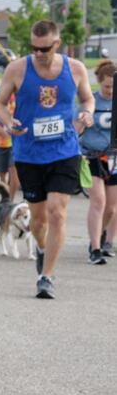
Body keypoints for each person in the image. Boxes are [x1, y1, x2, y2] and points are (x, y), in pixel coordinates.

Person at [0, 19, 97, 299]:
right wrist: (8, 120)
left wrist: (86, 114)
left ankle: (46, 276)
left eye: (44, 48)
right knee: (38, 221)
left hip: (65, 150)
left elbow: (88, 99)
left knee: (57, 212)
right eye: (34, 48)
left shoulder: (74, 69)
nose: (39, 53)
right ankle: (41, 248)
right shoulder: (17, 69)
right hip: (29, 153)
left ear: (57, 43)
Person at [79, 59, 114, 263]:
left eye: (113, 87)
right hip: (92, 156)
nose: (110, 90)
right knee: (98, 201)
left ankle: (102, 236)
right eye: (107, 86)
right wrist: (83, 121)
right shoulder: (91, 101)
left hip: (114, 157)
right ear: (99, 82)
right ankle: (95, 248)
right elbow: (77, 128)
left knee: (112, 208)